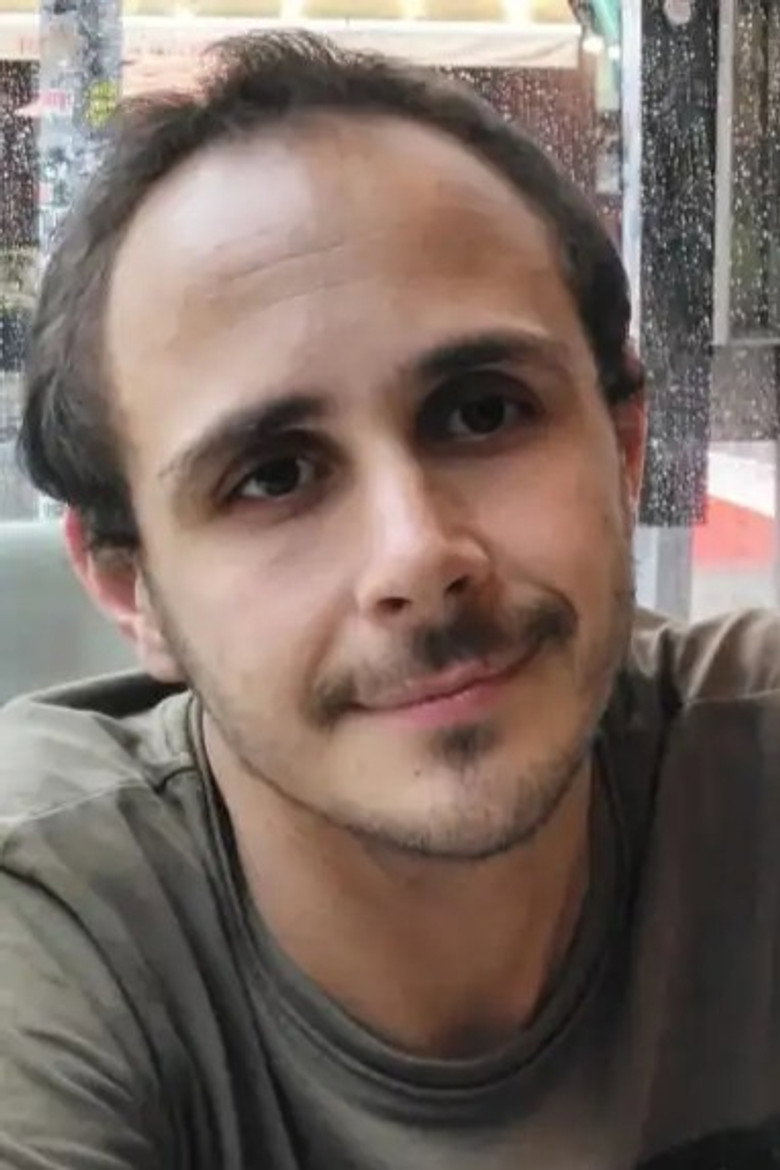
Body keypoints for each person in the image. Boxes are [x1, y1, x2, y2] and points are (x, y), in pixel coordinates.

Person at [2, 29, 780, 1170]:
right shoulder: (52, 932)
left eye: (483, 412)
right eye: (274, 476)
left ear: (623, 450)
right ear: (132, 590)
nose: (418, 556)